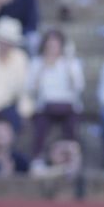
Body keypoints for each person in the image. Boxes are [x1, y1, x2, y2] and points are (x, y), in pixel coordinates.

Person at [27, 29, 85, 157]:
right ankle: (37, 159)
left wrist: (69, 62)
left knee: (71, 128)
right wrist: (43, 67)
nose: (53, 48)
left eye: (56, 44)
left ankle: (73, 159)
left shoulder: (72, 63)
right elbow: (32, 89)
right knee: (40, 128)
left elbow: (78, 86)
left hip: (68, 106)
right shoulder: (37, 63)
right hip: (45, 106)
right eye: (50, 44)